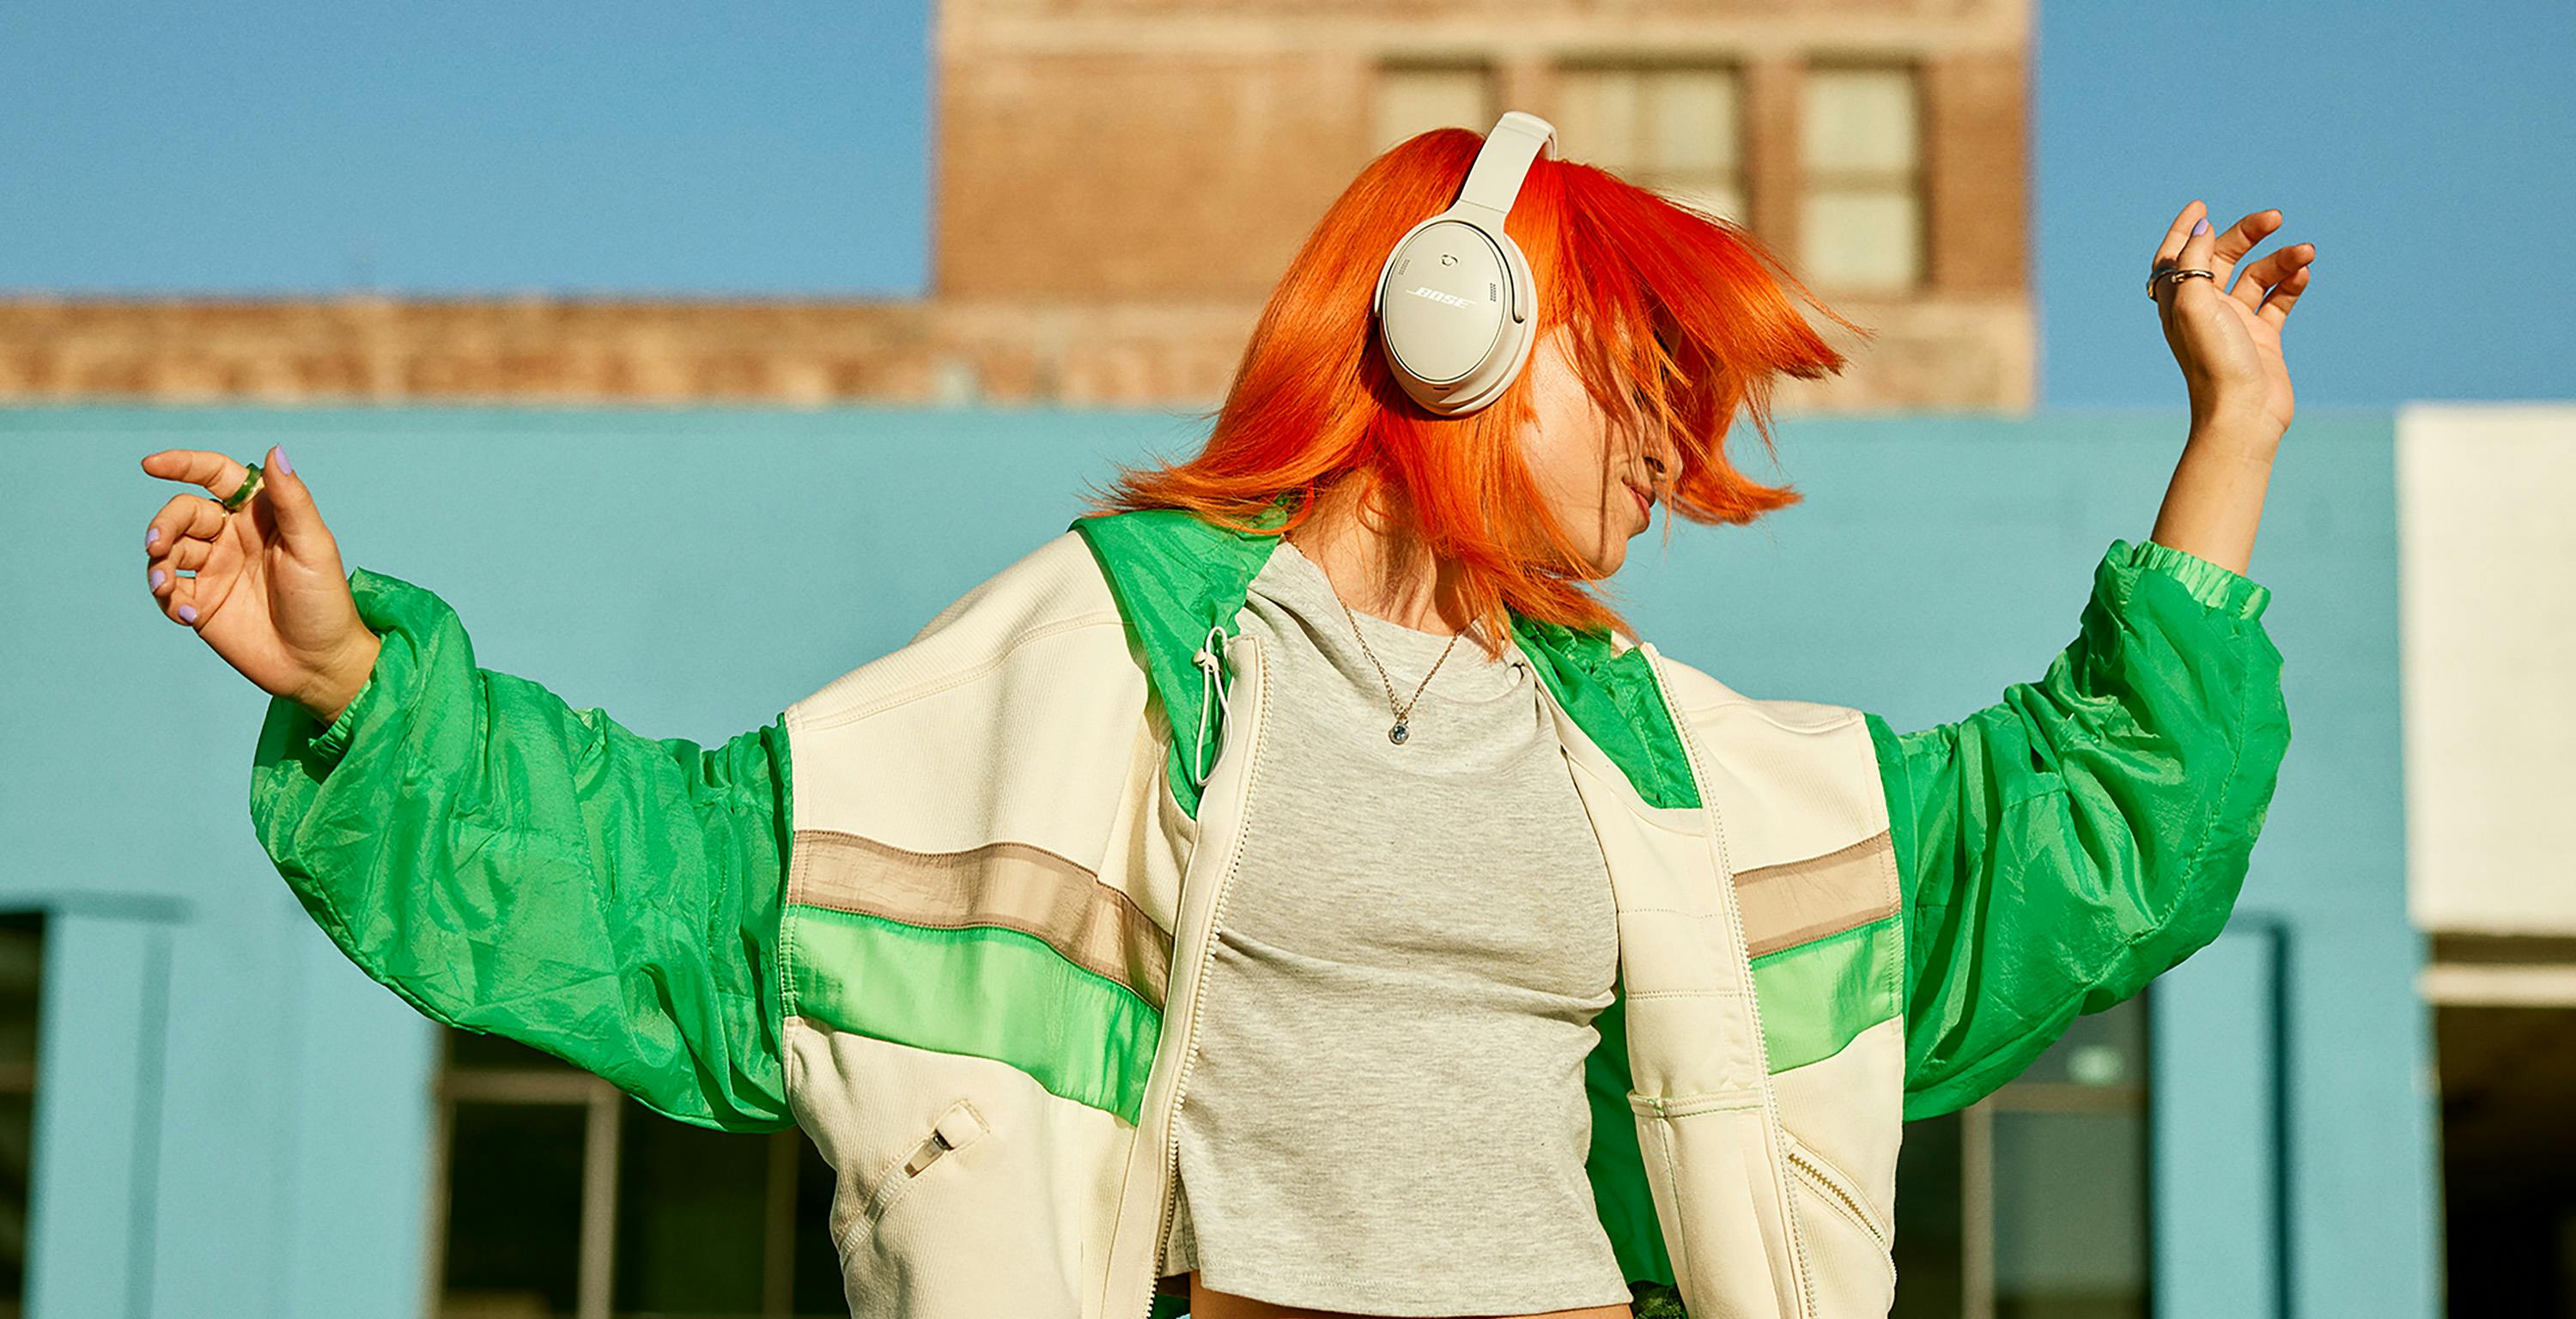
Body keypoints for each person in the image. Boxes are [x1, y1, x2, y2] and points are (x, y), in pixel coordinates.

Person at [138, 117, 2305, 1319]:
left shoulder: (1659, 757)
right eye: (1641, 377)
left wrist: (2234, 431)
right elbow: (690, 882)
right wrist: (356, 689)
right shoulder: (1102, 660)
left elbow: (2072, 838)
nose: (1678, 445)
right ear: (1451, 327)